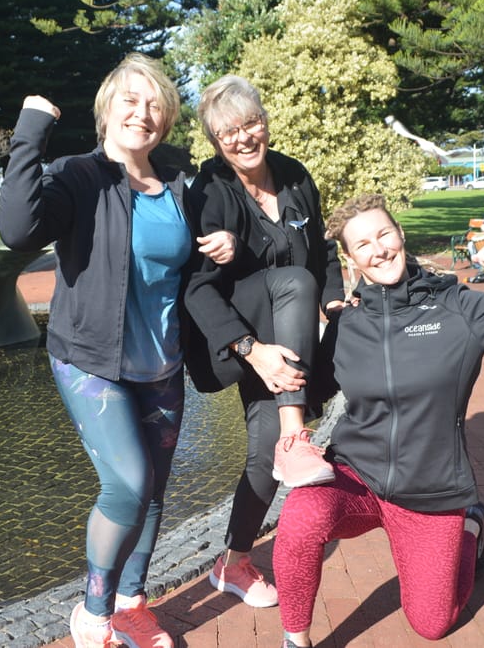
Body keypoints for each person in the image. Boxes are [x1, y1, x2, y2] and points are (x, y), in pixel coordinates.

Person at [0, 53, 234, 648]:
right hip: (90, 359)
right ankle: (93, 613)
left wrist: (223, 243)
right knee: (126, 484)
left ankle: (131, 604)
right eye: (130, 99)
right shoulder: (80, 176)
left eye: (155, 104)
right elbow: (17, 230)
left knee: (153, 492)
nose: (142, 113)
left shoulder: (176, 185)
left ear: (166, 119)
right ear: (107, 108)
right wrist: (30, 130)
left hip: (162, 363)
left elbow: (187, 266)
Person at [272, 193, 484, 647]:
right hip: (357, 476)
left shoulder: (458, 308)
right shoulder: (347, 324)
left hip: (431, 491)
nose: (379, 250)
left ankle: (471, 526)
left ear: (400, 234)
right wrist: (268, 360)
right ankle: (294, 641)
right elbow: (311, 392)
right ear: (351, 258)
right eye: (363, 244)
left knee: (432, 625)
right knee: (301, 516)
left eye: (384, 235)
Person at [184, 75, 347, 609]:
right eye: (228, 132)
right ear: (215, 142)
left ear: (265, 122)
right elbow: (197, 289)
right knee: (293, 282)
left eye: (250, 123)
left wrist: (335, 302)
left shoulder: (294, 175)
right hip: (240, 336)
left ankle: (232, 562)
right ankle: (297, 437)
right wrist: (252, 350)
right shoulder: (210, 191)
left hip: (289, 336)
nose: (243, 137)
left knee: (262, 453)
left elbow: (322, 250)